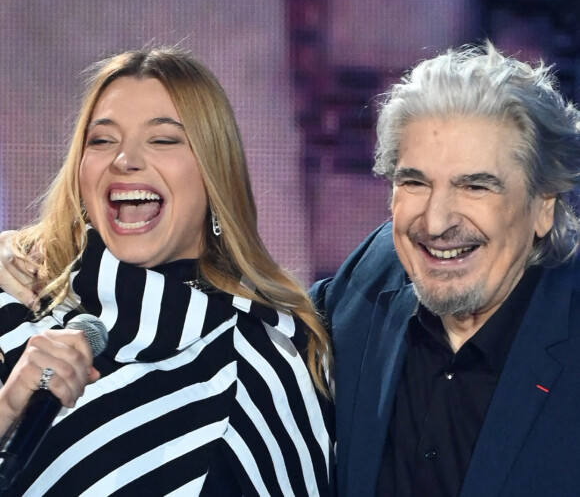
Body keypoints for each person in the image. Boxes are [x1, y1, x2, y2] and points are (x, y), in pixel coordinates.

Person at [0, 47, 334, 496]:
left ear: (214, 173)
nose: (125, 159)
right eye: (102, 140)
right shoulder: (13, 302)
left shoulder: (265, 356)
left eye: (163, 140)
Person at [309, 43, 580, 496]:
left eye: (475, 185)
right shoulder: (369, 277)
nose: (436, 223)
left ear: (543, 206)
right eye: (414, 182)